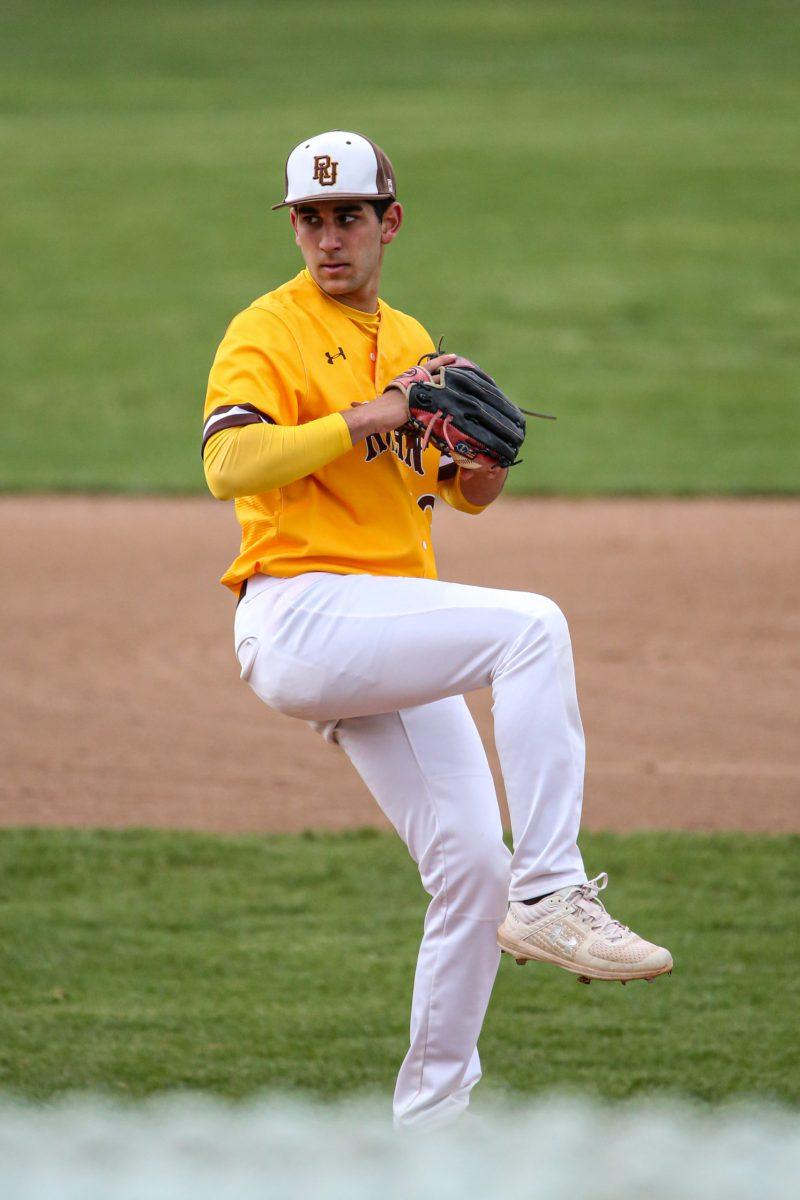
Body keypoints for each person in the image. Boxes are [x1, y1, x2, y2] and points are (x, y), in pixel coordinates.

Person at [202, 130, 672, 1131]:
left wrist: (483, 470)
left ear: (388, 222)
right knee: (531, 628)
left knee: (468, 864)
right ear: (292, 226)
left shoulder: (413, 341)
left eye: (348, 217)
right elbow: (229, 467)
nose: (328, 238)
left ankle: (431, 1122)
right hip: (301, 614)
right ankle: (552, 893)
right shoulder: (263, 331)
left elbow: (449, 491)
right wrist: (371, 414)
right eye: (310, 219)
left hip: (382, 626)